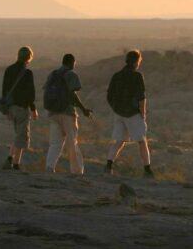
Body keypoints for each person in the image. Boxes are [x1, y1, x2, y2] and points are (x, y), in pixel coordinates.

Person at [104, 50, 154, 178]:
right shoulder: (137, 76)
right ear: (137, 61)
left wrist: (116, 108)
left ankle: (108, 165)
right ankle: (147, 169)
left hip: (119, 113)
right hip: (132, 114)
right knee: (142, 141)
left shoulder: (117, 76)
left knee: (119, 141)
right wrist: (143, 114)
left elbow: (109, 96)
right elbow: (141, 97)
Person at [44, 53, 92, 174]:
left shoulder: (53, 74)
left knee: (55, 143)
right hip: (67, 113)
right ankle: (77, 171)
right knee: (72, 142)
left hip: (53, 112)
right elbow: (72, 94)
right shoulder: (71, 74)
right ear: (72, 62)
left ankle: (49, 167)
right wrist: (83, 109)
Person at [2, 46, 37, 170]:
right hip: (22, 108)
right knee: (22, 137)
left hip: (11, 108)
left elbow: (4, 91)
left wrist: (6, 110)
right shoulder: (27, 73)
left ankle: (10, 158)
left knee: (18, 135)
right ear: (28, 58)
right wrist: (33, 109)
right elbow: (30, 94)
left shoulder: (9, 70)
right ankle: (15, 164)